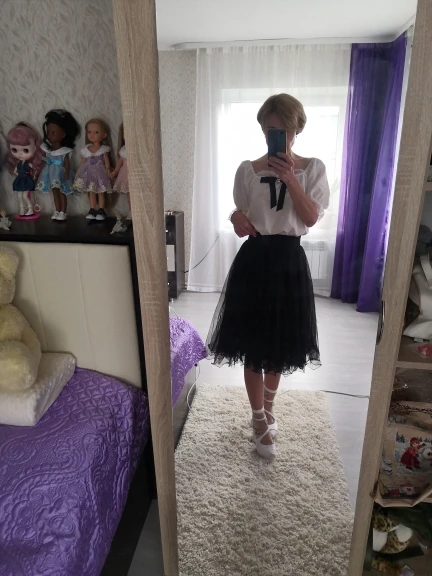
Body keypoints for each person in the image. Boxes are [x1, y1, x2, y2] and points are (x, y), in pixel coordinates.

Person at [206, 94, 330, 459]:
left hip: (290, 262)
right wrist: (234, 217)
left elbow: (310, 218)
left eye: (284, 130)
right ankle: (258, 419)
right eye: (270, 129)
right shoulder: (248, 170)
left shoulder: (313, 168)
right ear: (262, 129)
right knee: (253, 345)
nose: (277, 136)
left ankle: (269, 409)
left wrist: (290, 178)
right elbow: (241, 214)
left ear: (297, 130)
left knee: (279, 346)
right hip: (255, 260)